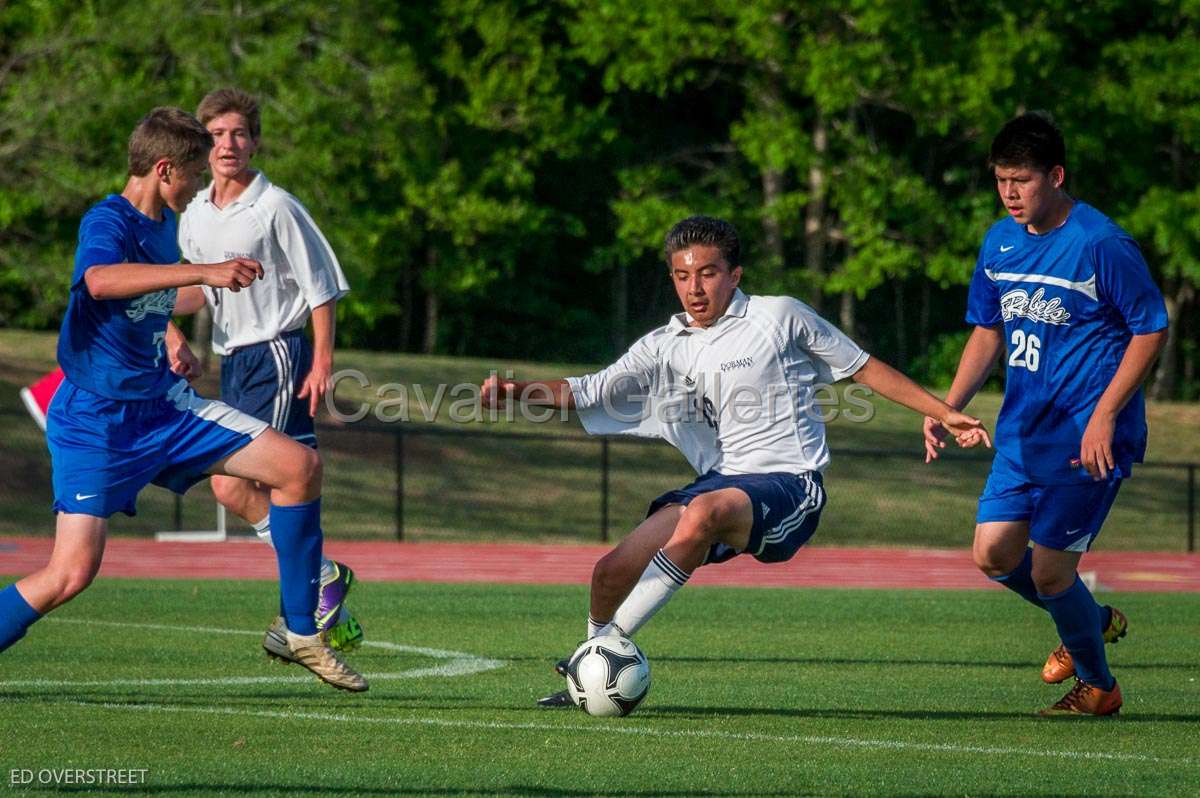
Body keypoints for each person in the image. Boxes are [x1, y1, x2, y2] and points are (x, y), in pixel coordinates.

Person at [481, 215, 991, 707]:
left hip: (790, 485)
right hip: (721, 483)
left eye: (707, 273)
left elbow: (864, 369)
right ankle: (588, 676)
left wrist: (944, 412)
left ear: (734, 275)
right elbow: (589, 390)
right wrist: (516, 391)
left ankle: (595, 657)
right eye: (682, 275)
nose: (694, 287)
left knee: (703, 513)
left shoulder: (780, 316)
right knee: (609, 573)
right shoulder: (663, 346)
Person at [0, 107, 367, 692]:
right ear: (165, 169)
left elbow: (150, 299)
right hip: (97, 420)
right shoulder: (109, 219)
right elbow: (99, 282)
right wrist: (201, 271)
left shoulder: (167, 223)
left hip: (163, 406)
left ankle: (300, 629)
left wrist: (170, 336)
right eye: (194, 172)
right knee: (68, 575)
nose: (200, 184)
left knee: (299, 467)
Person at [923, 113, 1167, 716]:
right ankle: (1092, 619)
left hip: (1086, 440)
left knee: (1055, 576)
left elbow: (1150, 328)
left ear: (1055, 176)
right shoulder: (998, 241)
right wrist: (947, 406)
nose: (1010, 192)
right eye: (1002, 180)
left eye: (1022, 180)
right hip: (1021, 435)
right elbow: (987, 330)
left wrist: (1105, 414)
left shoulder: (1099, 243)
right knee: (994, 555)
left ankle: (1099, 685)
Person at [174, 88, 362, 651]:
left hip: (278, 353)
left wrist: (323, 359)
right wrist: (160, 323)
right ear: (202, 145)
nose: (228, 144)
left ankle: (309, 598)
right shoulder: (194, 213)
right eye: (217, 134)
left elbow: (320, 286)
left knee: (263, 480)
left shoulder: (274, 204)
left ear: (253, 142)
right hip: (235, 361)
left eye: (238, 133)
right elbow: (189, 289)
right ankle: (322, 581)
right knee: (230, 488)